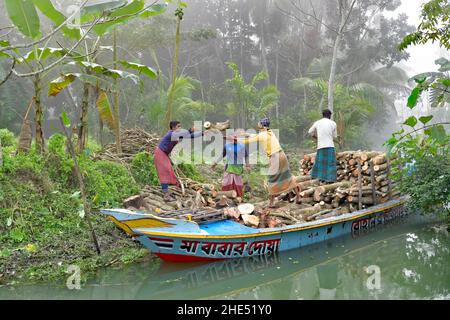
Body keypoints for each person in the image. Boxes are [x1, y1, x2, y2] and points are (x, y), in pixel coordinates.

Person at [239, 118, 300, 208]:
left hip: (275, 157)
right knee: (287, 176)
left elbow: (247, 141)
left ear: (262, 125)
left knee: (271, 179)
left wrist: (235, 140)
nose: (258, 124)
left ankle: (271, 203)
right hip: (282, 155)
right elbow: (256, 135)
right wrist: (246, 134)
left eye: (259, 123)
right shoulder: (270, 132)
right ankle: (298, 197)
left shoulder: (261, 135)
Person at [154, 121, 203, 201]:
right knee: (165, 172)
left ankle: (166, 190)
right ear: (173, 128)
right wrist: (190, 129)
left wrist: (202, 133)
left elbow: (190, 136)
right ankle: (166, 195)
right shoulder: (171, 134)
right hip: (160, 153)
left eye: (180, 126)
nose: (180, 128)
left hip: (164, 154)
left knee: (168, 171)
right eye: (178, 126)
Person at [211, 131, 250, 198]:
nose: (229, 140)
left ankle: (238, 197)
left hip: (238, 167)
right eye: (228, 139)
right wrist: (215, 163)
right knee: (226, 182)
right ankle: (225, 196)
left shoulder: (242, 146)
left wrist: (247, 165)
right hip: (229, 167)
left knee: (237, 183)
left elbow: (246, 156)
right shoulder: (227, 145)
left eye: (231, 139)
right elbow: (222, 155)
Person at [308, 109, 339, 183]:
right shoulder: (333, 123)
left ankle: (320, 178)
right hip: (330, 146)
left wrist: (315, 136)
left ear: (323, 115)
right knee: (330, 163)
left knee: (320, 163)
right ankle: (331, 179)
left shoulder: (317, 122)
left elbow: (310, 132)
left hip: (321, 146)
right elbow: (334, 136)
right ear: (329, 115)